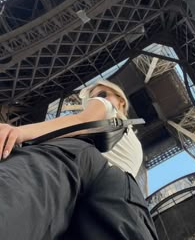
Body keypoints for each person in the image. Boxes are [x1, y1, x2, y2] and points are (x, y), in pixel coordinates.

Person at [0, 79, 158, 240]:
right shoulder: (135, 142)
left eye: (102, 94)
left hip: (79, 160)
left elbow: (81, 122)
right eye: (91, 99)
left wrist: (18, 131)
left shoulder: (104, 105)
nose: (95, 100)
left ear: (121, 101)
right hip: (124, 196)